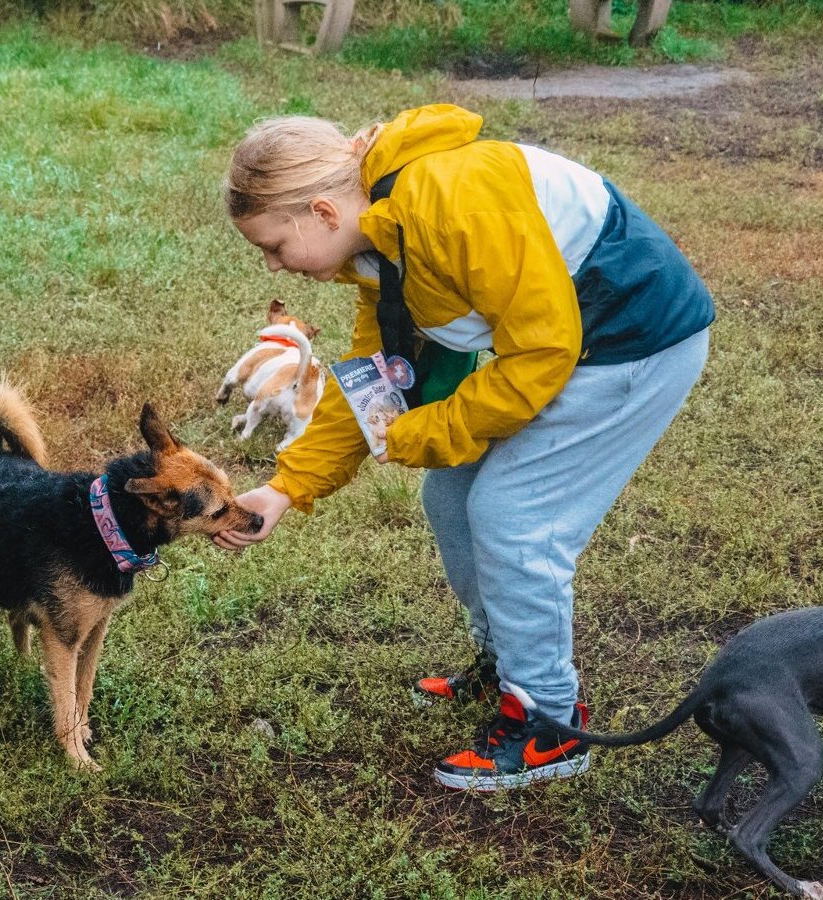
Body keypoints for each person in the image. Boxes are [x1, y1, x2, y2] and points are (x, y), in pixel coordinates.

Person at [215, 104, 714, 791]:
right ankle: (505, 663)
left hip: (633, 338)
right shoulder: (377, 235)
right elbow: (377, 371)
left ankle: (549, 722)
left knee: (516, 519)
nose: (273, 266)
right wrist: (284, 486)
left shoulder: (448, 203)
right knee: (452, 493)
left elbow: (543, 350)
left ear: (324, 213)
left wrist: (427, 429)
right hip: (563, 345)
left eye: (273, 246)